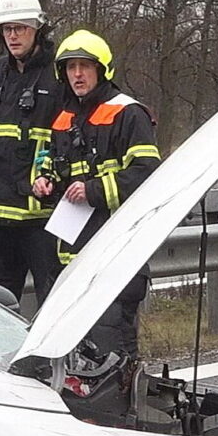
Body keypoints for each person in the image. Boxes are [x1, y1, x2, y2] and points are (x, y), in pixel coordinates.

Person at [40, 30, 161, 359]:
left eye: (84, 66)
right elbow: (53, 165)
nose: (77, 74)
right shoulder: (63, 120)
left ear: (102, 69)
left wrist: (94, 190)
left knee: (113, 351)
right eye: (70, 67)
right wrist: (45, 182)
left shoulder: (128, 113)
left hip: (116, 255)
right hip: (73, 259)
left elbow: (147, 173)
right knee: (78, 357)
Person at [0, 0, 63, 305]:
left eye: (20, 28)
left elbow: (70, 133)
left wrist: (50, 171)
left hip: (43, 218)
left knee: (54, 304)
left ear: (37, 29)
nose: (13, 36)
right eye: (7, 29)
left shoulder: (59, 74)